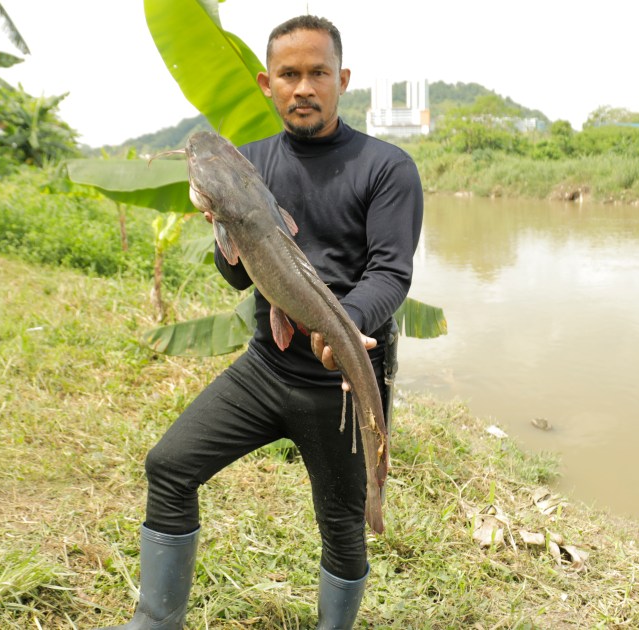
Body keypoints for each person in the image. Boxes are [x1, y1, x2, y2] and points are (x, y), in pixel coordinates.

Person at [100, 14, 423, 630]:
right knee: (169, 466)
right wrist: (222, 227)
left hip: (339, 382)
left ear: (341, 80)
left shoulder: (387, 167)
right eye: (288, 74)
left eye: (318, 73)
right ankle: (155, 621)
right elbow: (238, 278)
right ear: (265, 83)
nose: (303, 87)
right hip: (265, 370)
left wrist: (344, 325)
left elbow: (390, 273)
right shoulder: (245, 164)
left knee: (343, 527)